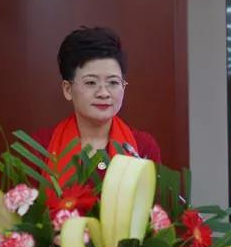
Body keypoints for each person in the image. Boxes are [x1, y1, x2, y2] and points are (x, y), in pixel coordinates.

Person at [31, 26, 161, 184]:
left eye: (113, 82)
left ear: (123, 87)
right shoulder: (41, 147)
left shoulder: (142, 146)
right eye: (91, 83)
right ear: (68, 89)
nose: (103, 93)